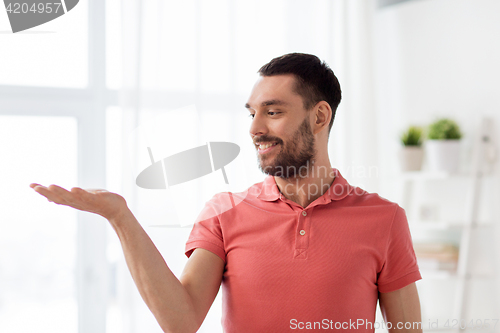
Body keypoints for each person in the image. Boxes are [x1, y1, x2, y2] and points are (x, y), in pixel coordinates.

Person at [30, 53, 423, 333]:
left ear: (319, 116)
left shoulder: (384, 219)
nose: (254, 129)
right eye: (251, 113)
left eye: (272, 112)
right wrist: (120, 217)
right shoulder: (224, 212)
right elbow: (180, 322)